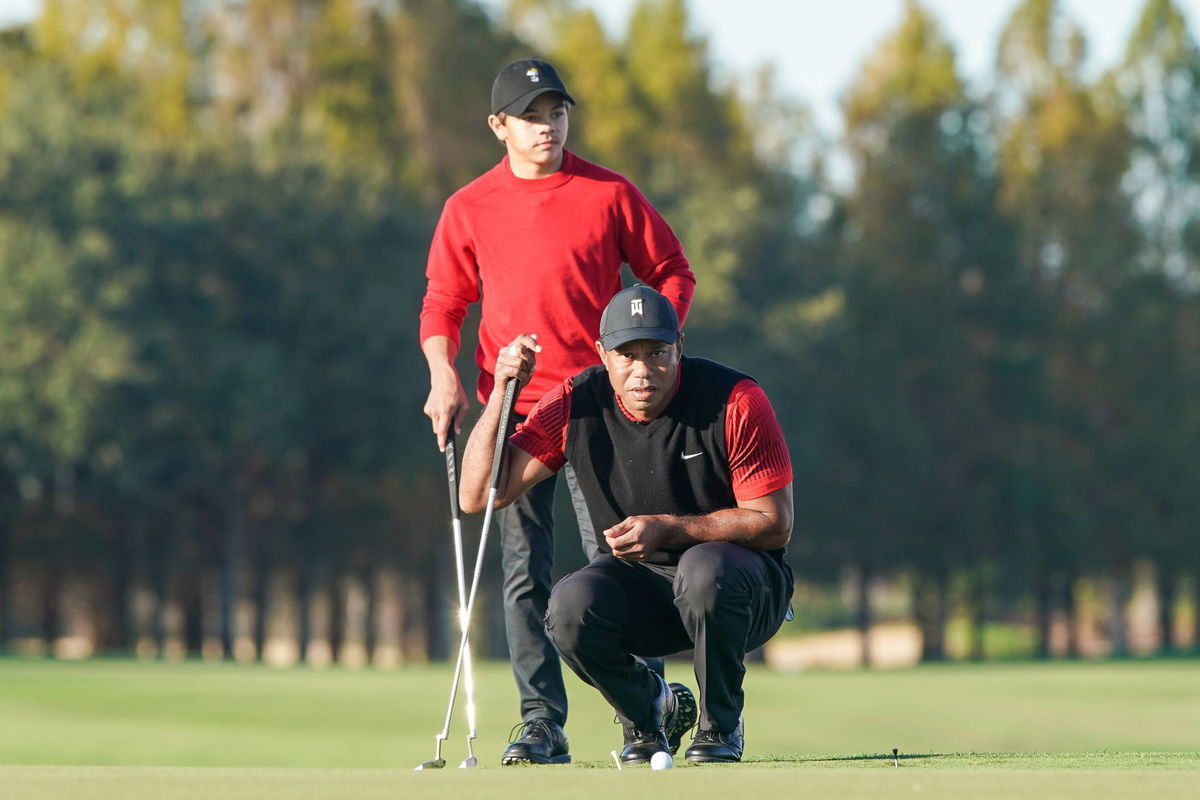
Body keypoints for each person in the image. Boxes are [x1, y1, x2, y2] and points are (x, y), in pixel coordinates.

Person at [419, 58, 696, 765]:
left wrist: (646, 351)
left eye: (557, 112)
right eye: (532, 115)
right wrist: (442, 376)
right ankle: (542, 723)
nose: (548, 126)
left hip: (598, 412)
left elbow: (671, 271)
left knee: (621, 564)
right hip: (514, 410)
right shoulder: (468, 207)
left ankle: (646, 713)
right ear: (499, 126)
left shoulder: (608, 194)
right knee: (524, 572)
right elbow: (444, 303)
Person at [459, 285, 794, 764]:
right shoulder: (577, 402)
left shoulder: (735, 399)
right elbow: (479, 495)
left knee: (703, 569)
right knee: (570, 606)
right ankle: (650, 712)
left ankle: (721, 726)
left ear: (679, 346)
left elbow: (774, 523)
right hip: (645, 592)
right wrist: (500, 392)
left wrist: (671, 529)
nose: (642, 371)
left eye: (657, 352)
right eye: (626, 355)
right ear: (602, 354)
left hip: (740, 588)